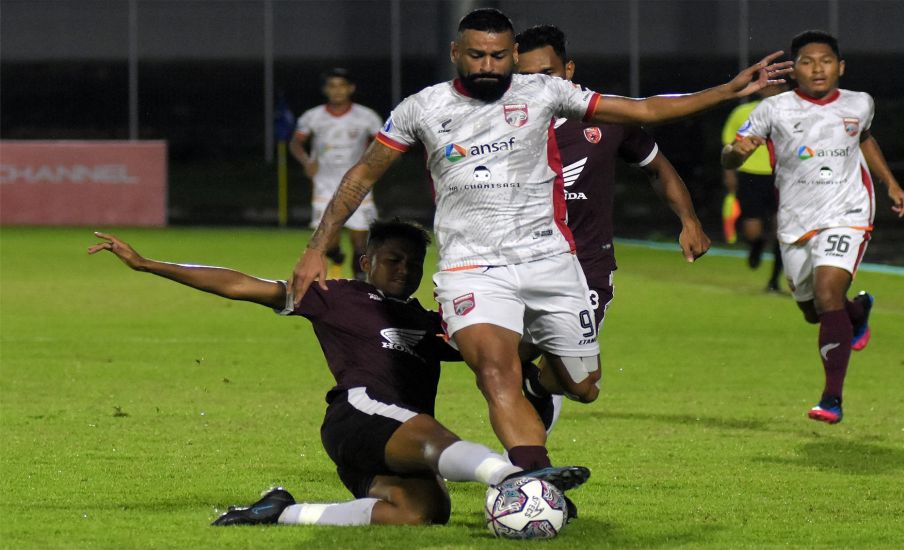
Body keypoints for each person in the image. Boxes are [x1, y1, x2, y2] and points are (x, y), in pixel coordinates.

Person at [289, 8, 791, 471]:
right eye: (477, 54)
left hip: (550, 261)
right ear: (455, 53)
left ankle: (541, 384)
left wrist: (727, 91)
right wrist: (317, 247)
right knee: (494, 371)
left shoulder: (544, 95)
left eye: (499, 55)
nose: (489, 64)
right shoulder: (422, 107)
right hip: (473, 267)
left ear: (511, 55)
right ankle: (533, 479)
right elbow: (361, 175)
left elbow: (644, 111)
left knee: (583, 386)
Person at [87, 220, 589, 527]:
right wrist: (150, 264)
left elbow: (500, 355)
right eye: (393, 260)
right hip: (359, 417)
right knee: (434, 436)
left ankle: (281, 512)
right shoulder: (338, 296)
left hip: (392, 442)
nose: (405, 271)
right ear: (367, 261)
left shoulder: (428, 323)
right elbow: (241, 284)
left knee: (422, 513)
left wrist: (557, 337)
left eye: (414, 264)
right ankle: (518, 480)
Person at [513, 24, 711, 429]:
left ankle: (535, 394)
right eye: (524, 77)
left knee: (576, 378)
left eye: (546, 75)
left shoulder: (605, 117)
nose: (535, 86)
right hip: (520, 262)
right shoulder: (503, 123)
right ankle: (524, 465)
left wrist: (689, 220)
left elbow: (657, 167)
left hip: (585, 266)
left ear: (568, 70)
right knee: (501, 357)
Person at [721, 30, 904, 424]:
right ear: (795, 70)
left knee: (827, 295)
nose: (817, 68)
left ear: (840, 66)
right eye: (807, 62)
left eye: (825, 61)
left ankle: (831, 399)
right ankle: (858, 312)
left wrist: (890, 183)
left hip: (848, 212)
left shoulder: (860, 103)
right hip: (795, 220)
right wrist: (734, 154)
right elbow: (731, 155)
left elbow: (865, 138)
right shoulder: (774, 110)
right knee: (815, 311)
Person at [289, 68, 383, 280]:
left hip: (359, 186)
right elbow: (296, 143)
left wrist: (375, 167)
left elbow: (383, 147)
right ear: (325, 90)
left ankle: (359, 288)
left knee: (360, 245)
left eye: (341, 86)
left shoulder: (367, 117)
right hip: (325, 186)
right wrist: (306, 162)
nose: (337, 91)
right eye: (332, 86)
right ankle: (336, 256)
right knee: (327, 243)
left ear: (351, 88)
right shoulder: (313, 117)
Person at [721, 84, 785, 292]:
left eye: (779, 87)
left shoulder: (791, 112)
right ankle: (756, 246)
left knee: (782, 230)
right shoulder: (742, 113)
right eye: (769, 87)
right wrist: (729, 174)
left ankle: (774, 281)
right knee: (752, 228)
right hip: (750, 176)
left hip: (783, 176)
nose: (773, 91)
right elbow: (729, 145)